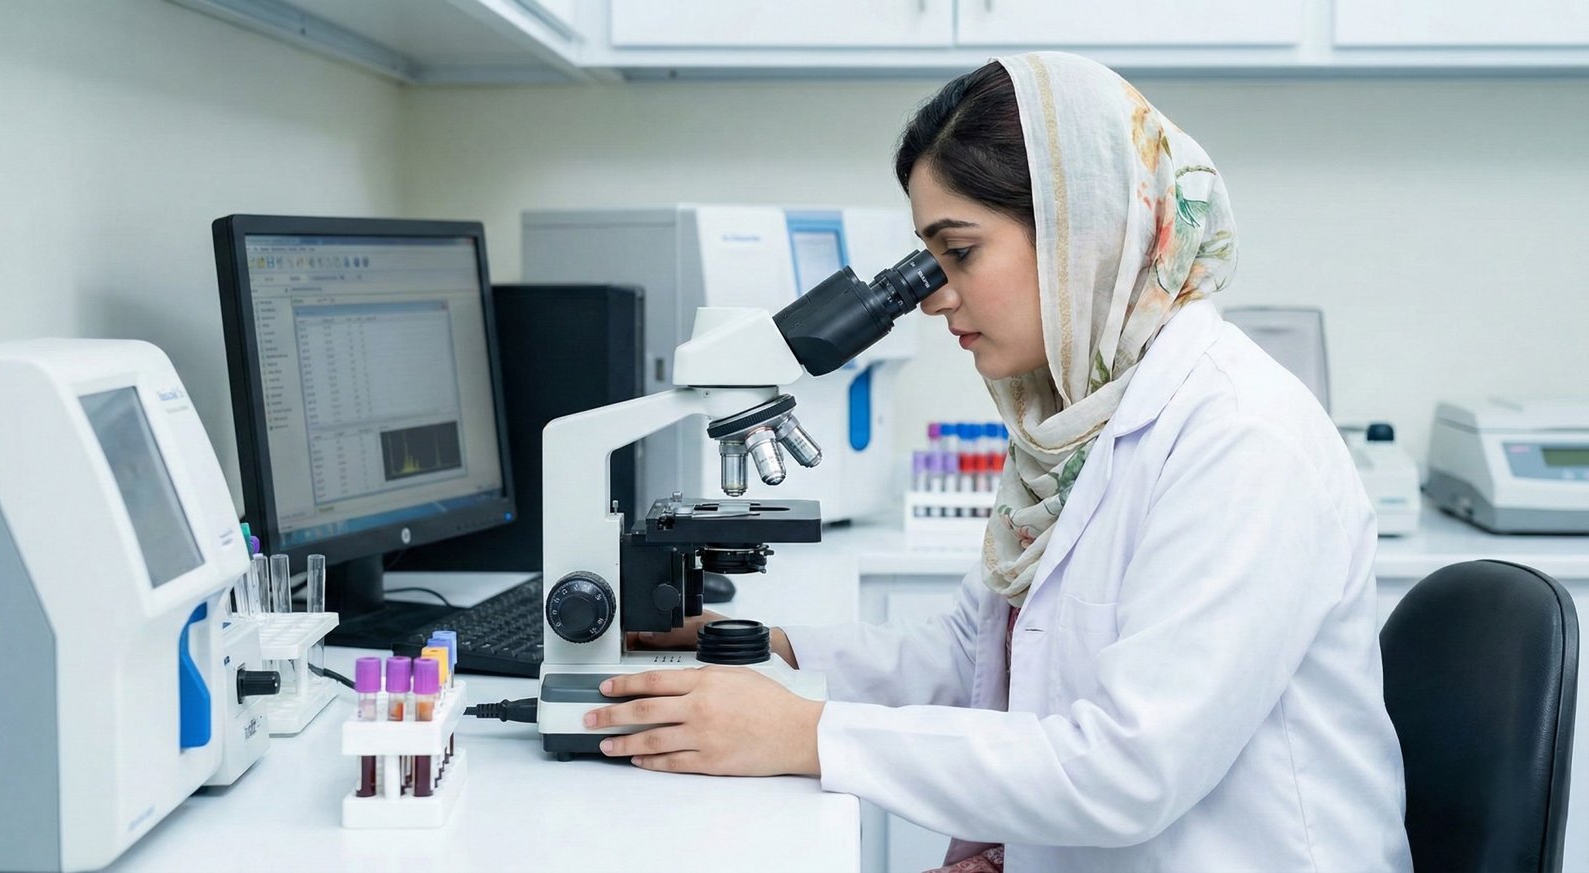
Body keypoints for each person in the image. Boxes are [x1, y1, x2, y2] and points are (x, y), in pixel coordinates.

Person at [582, 52, 1413, 873]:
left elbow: (1129, 770)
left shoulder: (1241, 441)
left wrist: (807, 734)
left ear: (1078, 233)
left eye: (960, 252)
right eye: (929, 260)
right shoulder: (1077, 422)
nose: (935, 294)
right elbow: (976, 661)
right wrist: (775, 648)